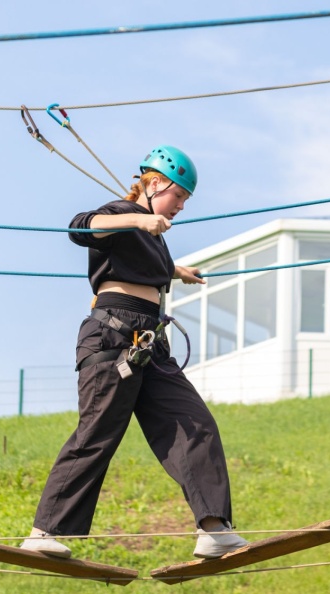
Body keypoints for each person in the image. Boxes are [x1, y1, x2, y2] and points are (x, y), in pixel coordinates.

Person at [20, 145, 248, 560]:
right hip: (113, 337)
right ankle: (44, 531)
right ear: (155, 183)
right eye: (178, 195)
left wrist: (176, 271)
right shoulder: (120, 214)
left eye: (185, 199)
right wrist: (139, 219)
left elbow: (142, 263)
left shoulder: (152, 238)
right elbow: (80, 227)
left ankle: (213, 528)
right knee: (98, 433)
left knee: (194, 424)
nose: (181, 206)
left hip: (151, 346)